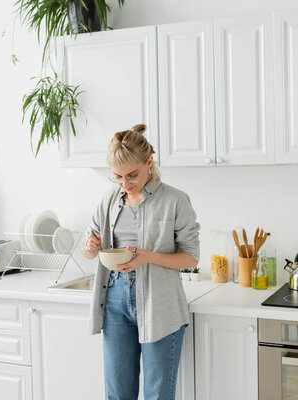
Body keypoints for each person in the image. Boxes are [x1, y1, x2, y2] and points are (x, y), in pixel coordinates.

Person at [81, 123, 201, 400]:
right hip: (114, 303)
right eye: (118, 177)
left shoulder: (175, 201)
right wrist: (89, 246)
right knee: (118, 394)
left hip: (160, 304)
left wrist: (148, 258)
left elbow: (191, 256)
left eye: (132, 175)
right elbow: (90, 251)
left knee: (158, 395)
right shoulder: (108, 201)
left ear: (149, 162)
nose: (125, 184)